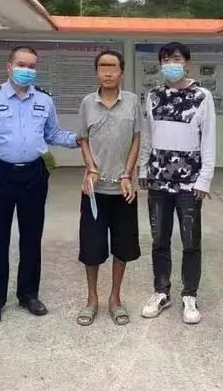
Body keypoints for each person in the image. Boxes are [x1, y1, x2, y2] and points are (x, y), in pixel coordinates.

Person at [0, 45, 82, 325]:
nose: (26, 70)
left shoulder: (44, 99)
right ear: (9, 67)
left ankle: (29, 294)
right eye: (21, 64)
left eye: (32, 66)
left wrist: (79, 138)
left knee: (32, 237)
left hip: (34, 174)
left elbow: (53, 134)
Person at [137, 41, 216, 325]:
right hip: (158, 181)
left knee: (190, 242)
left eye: (177, 59)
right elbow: (147, 135)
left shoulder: (202, 96)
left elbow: (209, 138)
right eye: (166, 60)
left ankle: (189, 295)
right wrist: (143, 167)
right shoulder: (154, 95)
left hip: (189, 184)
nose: (171, 64)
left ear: (187, 63)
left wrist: (205, 178)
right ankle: (161, 291)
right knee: (159, 240)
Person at [76, 49, 142, 327]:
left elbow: (136, 139)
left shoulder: (132, 102)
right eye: (102, 67)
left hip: (123, 191)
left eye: (113, 67)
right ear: (96, 72)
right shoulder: (87, 103)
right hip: (94, 191)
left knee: (123, 247)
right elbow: (83, 139)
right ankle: (92, 299)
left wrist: (128, 173)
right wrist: (91, 168)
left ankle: (115, 298)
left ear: (121, 73)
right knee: (91, 248)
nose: (107, 72)